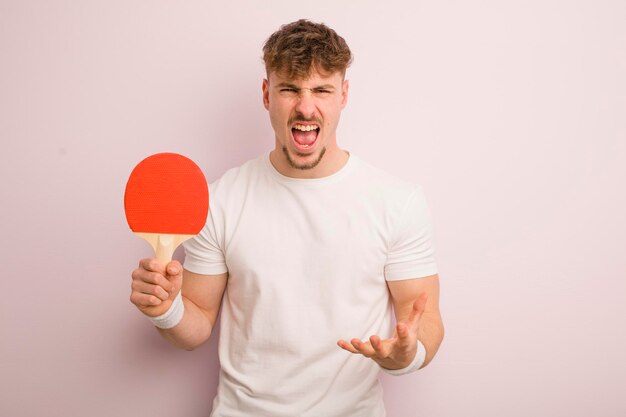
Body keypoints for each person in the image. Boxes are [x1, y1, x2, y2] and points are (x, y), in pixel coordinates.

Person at [130, 19, 444, 417]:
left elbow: (426, 318)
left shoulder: (397, 202)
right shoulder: (223, 198)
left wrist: (409, 355)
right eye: (290, 89)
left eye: (322, 90)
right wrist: (166, 308)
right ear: (267, 94)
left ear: (343, 95)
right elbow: (196, 326)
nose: (305, 106)